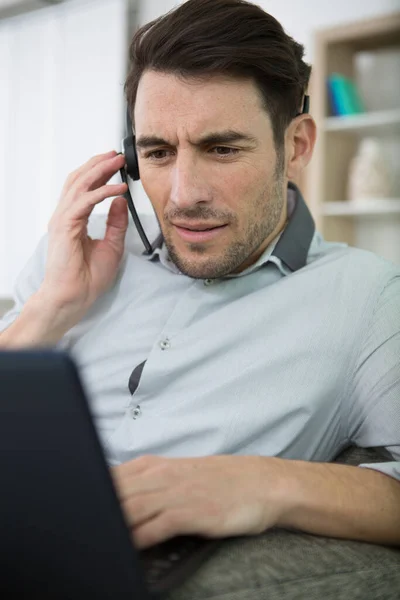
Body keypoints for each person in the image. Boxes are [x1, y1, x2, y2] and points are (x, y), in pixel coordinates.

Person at [1, 0, 399, 554]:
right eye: (158, 152)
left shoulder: (370, 298)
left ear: (297, 145)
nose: (185, 194)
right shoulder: (77, 249)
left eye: (222, 148)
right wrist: (51, 309)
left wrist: (263, 482)